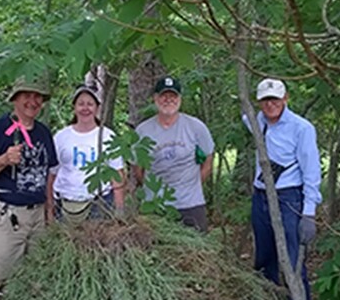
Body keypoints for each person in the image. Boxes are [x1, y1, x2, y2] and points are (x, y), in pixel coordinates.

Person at [0, 77, 58, 300]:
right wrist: (5, 159)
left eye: (38, 97)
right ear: (15, 99)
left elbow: (50, 174)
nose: (33, 102)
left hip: (38, 213)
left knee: (38, 273)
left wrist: (50, 212)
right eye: (27, 96)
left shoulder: (43, 132)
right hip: (8, 214)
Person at [244, 78, 322, 300]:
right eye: (265, 100)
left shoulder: (302, 128)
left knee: (292, 261)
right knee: (265, 257)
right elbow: (245, 116)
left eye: (275, 99)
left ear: (285, 98)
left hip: (289, 198)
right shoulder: (257, 121)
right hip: (261, 196)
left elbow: (311, 171)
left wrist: (309, 213)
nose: (271, 105)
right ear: (259, 103)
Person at [134, 76, 215, 232]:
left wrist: (193, 184)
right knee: (156, 252)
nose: (168, 100)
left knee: (197, 252)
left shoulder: (196, 127)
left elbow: (208, 160)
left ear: (180, 99)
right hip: (155, 205)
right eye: (164, 96)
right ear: (155, 98)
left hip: (191, 204)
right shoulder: (143, 131)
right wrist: (152, 189)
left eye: (173, 96)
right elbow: (138, 169)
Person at [48, 85, 125, 223]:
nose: (85, 108)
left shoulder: (107, 136)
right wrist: (49, 206)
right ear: (74, 107)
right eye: (81, 104)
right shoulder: (61, 137)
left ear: (97, 108)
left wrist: (119, 210)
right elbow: (52, 174)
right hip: (64, 203)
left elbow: (117, 173)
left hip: (99, 204)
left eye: (90, 104)